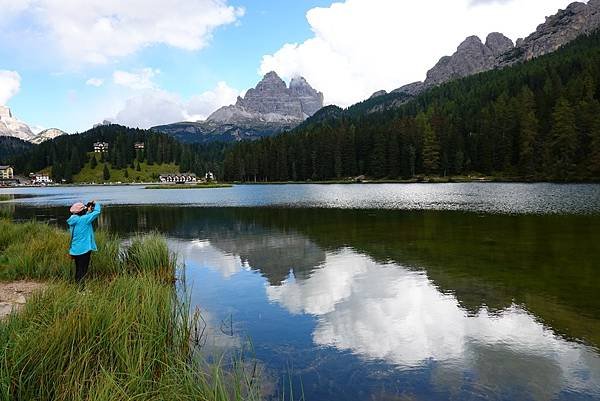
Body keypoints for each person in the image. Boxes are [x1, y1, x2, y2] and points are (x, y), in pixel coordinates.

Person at [67, 200, 101, 285]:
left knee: (78, 269)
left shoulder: (73, 220)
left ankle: (77, 287)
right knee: (83, 270)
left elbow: (82, 219)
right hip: (84, 249)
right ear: (81, 211)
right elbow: (97, 212)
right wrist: (96, 203)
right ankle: (81, 290)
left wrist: (87, 212)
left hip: (75, 249)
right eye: (84, 209)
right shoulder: (85, 219)